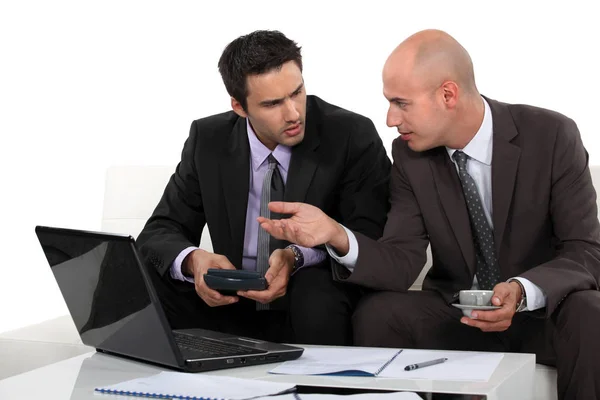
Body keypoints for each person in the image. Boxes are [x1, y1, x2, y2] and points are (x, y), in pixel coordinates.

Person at [257, 30, 600, 399]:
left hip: (540, 314)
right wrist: (335, 234)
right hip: (459, 315)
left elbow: (584, 252)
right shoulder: (410, 157)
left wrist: (520, 292)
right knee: (378, 313)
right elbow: (402, 260)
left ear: (448, 95)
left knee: (589, 309)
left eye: (401, 103)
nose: (390, 119)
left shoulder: (550, 135)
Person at [136, 30, 391, 346]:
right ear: (239, 107)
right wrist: (194, 262)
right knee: (140, 281)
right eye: (272, 103)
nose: (293, 113)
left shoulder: (351, 135)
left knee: (315, 292)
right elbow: (161, 231)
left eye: (296, 92)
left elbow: (370, 233)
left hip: (309, 299)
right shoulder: (208, 139)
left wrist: (297, 256)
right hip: (231, 301)